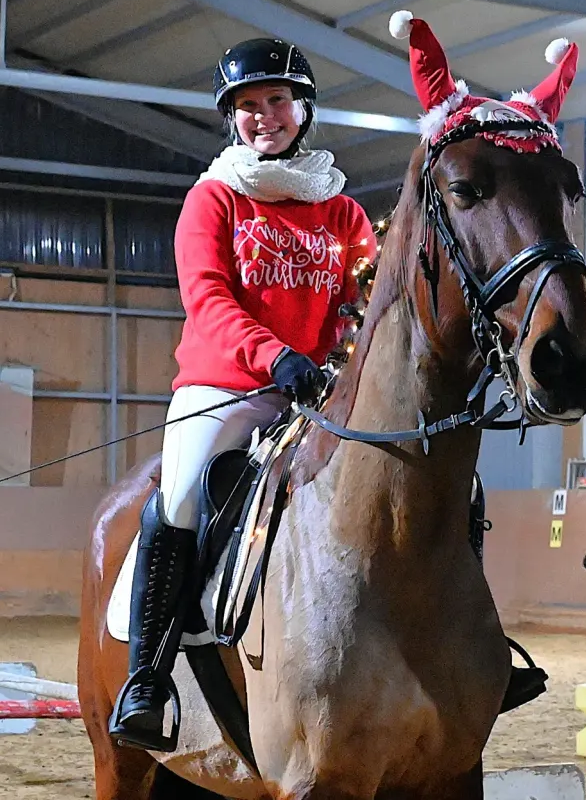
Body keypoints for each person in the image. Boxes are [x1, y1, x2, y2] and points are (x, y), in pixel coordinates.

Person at [108, 38, 375, 750]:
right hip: (224, 389)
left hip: (315, 395)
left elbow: (361, 301)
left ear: (304, 108)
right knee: (186, 495)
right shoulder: (214, 198)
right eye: (249, 107)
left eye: (278, 101)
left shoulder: (344, 213)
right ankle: (147, 678)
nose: (265, 117)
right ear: (233, 118)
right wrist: (275, 354)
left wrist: (345, 363)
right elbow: (207, 297)